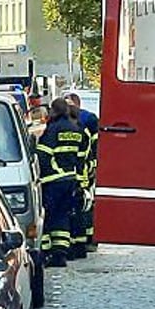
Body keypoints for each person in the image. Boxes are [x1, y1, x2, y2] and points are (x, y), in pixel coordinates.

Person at [36, 98, 84, 267]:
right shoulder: (75, 129)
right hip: (71, 179)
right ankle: (60, 254)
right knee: (62, 216)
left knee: (48, 216)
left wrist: (41, 175)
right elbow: (79, 157)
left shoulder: (53, 129)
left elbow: (43, 154)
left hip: (53, 180)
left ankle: (46, 252)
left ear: (54, 111)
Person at [65, 92, 99, 253]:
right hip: (81, 172)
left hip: (77, 173)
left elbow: (92, 148)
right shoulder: (85, 123)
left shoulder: (87, 121)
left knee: (84, 205)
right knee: (83, 206)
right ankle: (84, 240)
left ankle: (87, 239)